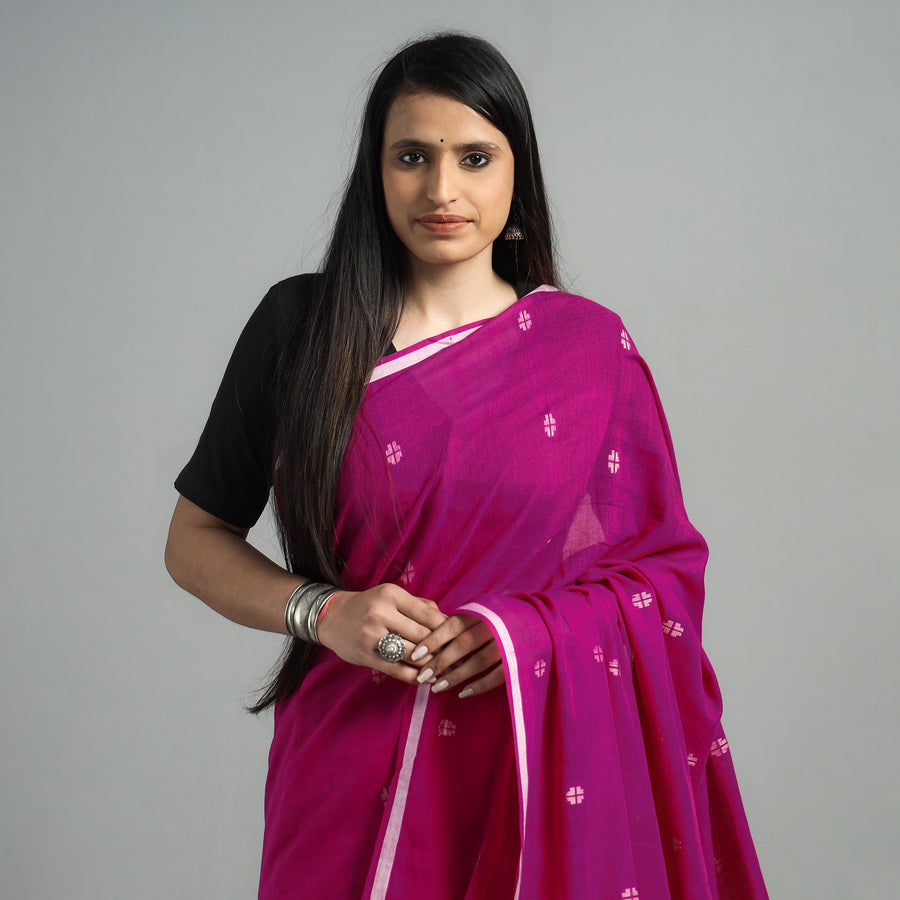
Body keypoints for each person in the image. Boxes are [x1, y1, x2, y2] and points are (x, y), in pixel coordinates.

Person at [165, 32, 768, 900]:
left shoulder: (587, 348)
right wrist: (322, 611)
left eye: (475, 158)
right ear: (375, 171)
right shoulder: (301, 327)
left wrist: (528, 633)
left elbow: (660, 570)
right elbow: (193, 540)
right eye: (412, 156)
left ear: (517, 171)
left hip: (526, 759)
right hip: (342, 754)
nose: (442, 189)